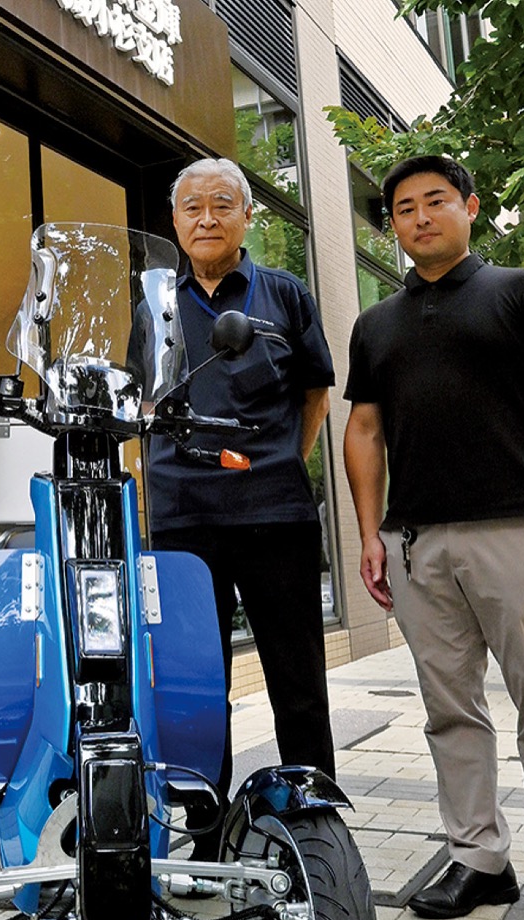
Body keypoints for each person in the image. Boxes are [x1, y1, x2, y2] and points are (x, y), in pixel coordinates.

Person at [343, 154, 524, 920]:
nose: (420, 217)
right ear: (392, 226)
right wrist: (370, 533)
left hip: (516, 529)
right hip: (418, 544)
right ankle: (479, 858)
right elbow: (363, 430)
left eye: (435, 201)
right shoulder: (375, 325)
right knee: (450, 712)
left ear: (470, 207)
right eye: (404, 209)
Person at [148, 157, 337, 857]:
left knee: (297, 675)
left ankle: (313, 825)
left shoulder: (285, 293)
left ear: (247, 216)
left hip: (275, 516)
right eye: (192, 207)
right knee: (196, 685)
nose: (207, 218)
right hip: (181, 520)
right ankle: (204, 832)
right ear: (174, 221)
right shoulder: (155, 304)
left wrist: (282, 459)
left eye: (222, 204)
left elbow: (315, 393)